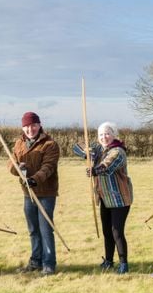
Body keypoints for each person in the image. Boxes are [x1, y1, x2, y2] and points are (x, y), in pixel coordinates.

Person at [73, 122, 133, 274]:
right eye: (101, 134)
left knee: (116, 231)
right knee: (107, 231)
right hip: (105, 198)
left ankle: (123, 264)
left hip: (119, 198)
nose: (104, 137)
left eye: (107, 133)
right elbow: (76, 147)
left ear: (114, 134)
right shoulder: (99, 149)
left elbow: (108, 166)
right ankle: (108, 261)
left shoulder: (118, 151)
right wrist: (87, 153)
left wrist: (95, 170)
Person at [9, 112, 59, 276]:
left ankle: (49, 264)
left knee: (45, 229)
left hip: (45, 193)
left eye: (33, 125)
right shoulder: (19, 143)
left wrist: (34, 179)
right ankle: (35, 261)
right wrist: (17, 167)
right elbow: (11, 163)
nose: (30, 129)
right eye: (26, 126)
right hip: (27, 194)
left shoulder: (50, 144)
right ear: (23, 127)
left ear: (39, 125)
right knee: (33, 230)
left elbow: (48, 167)